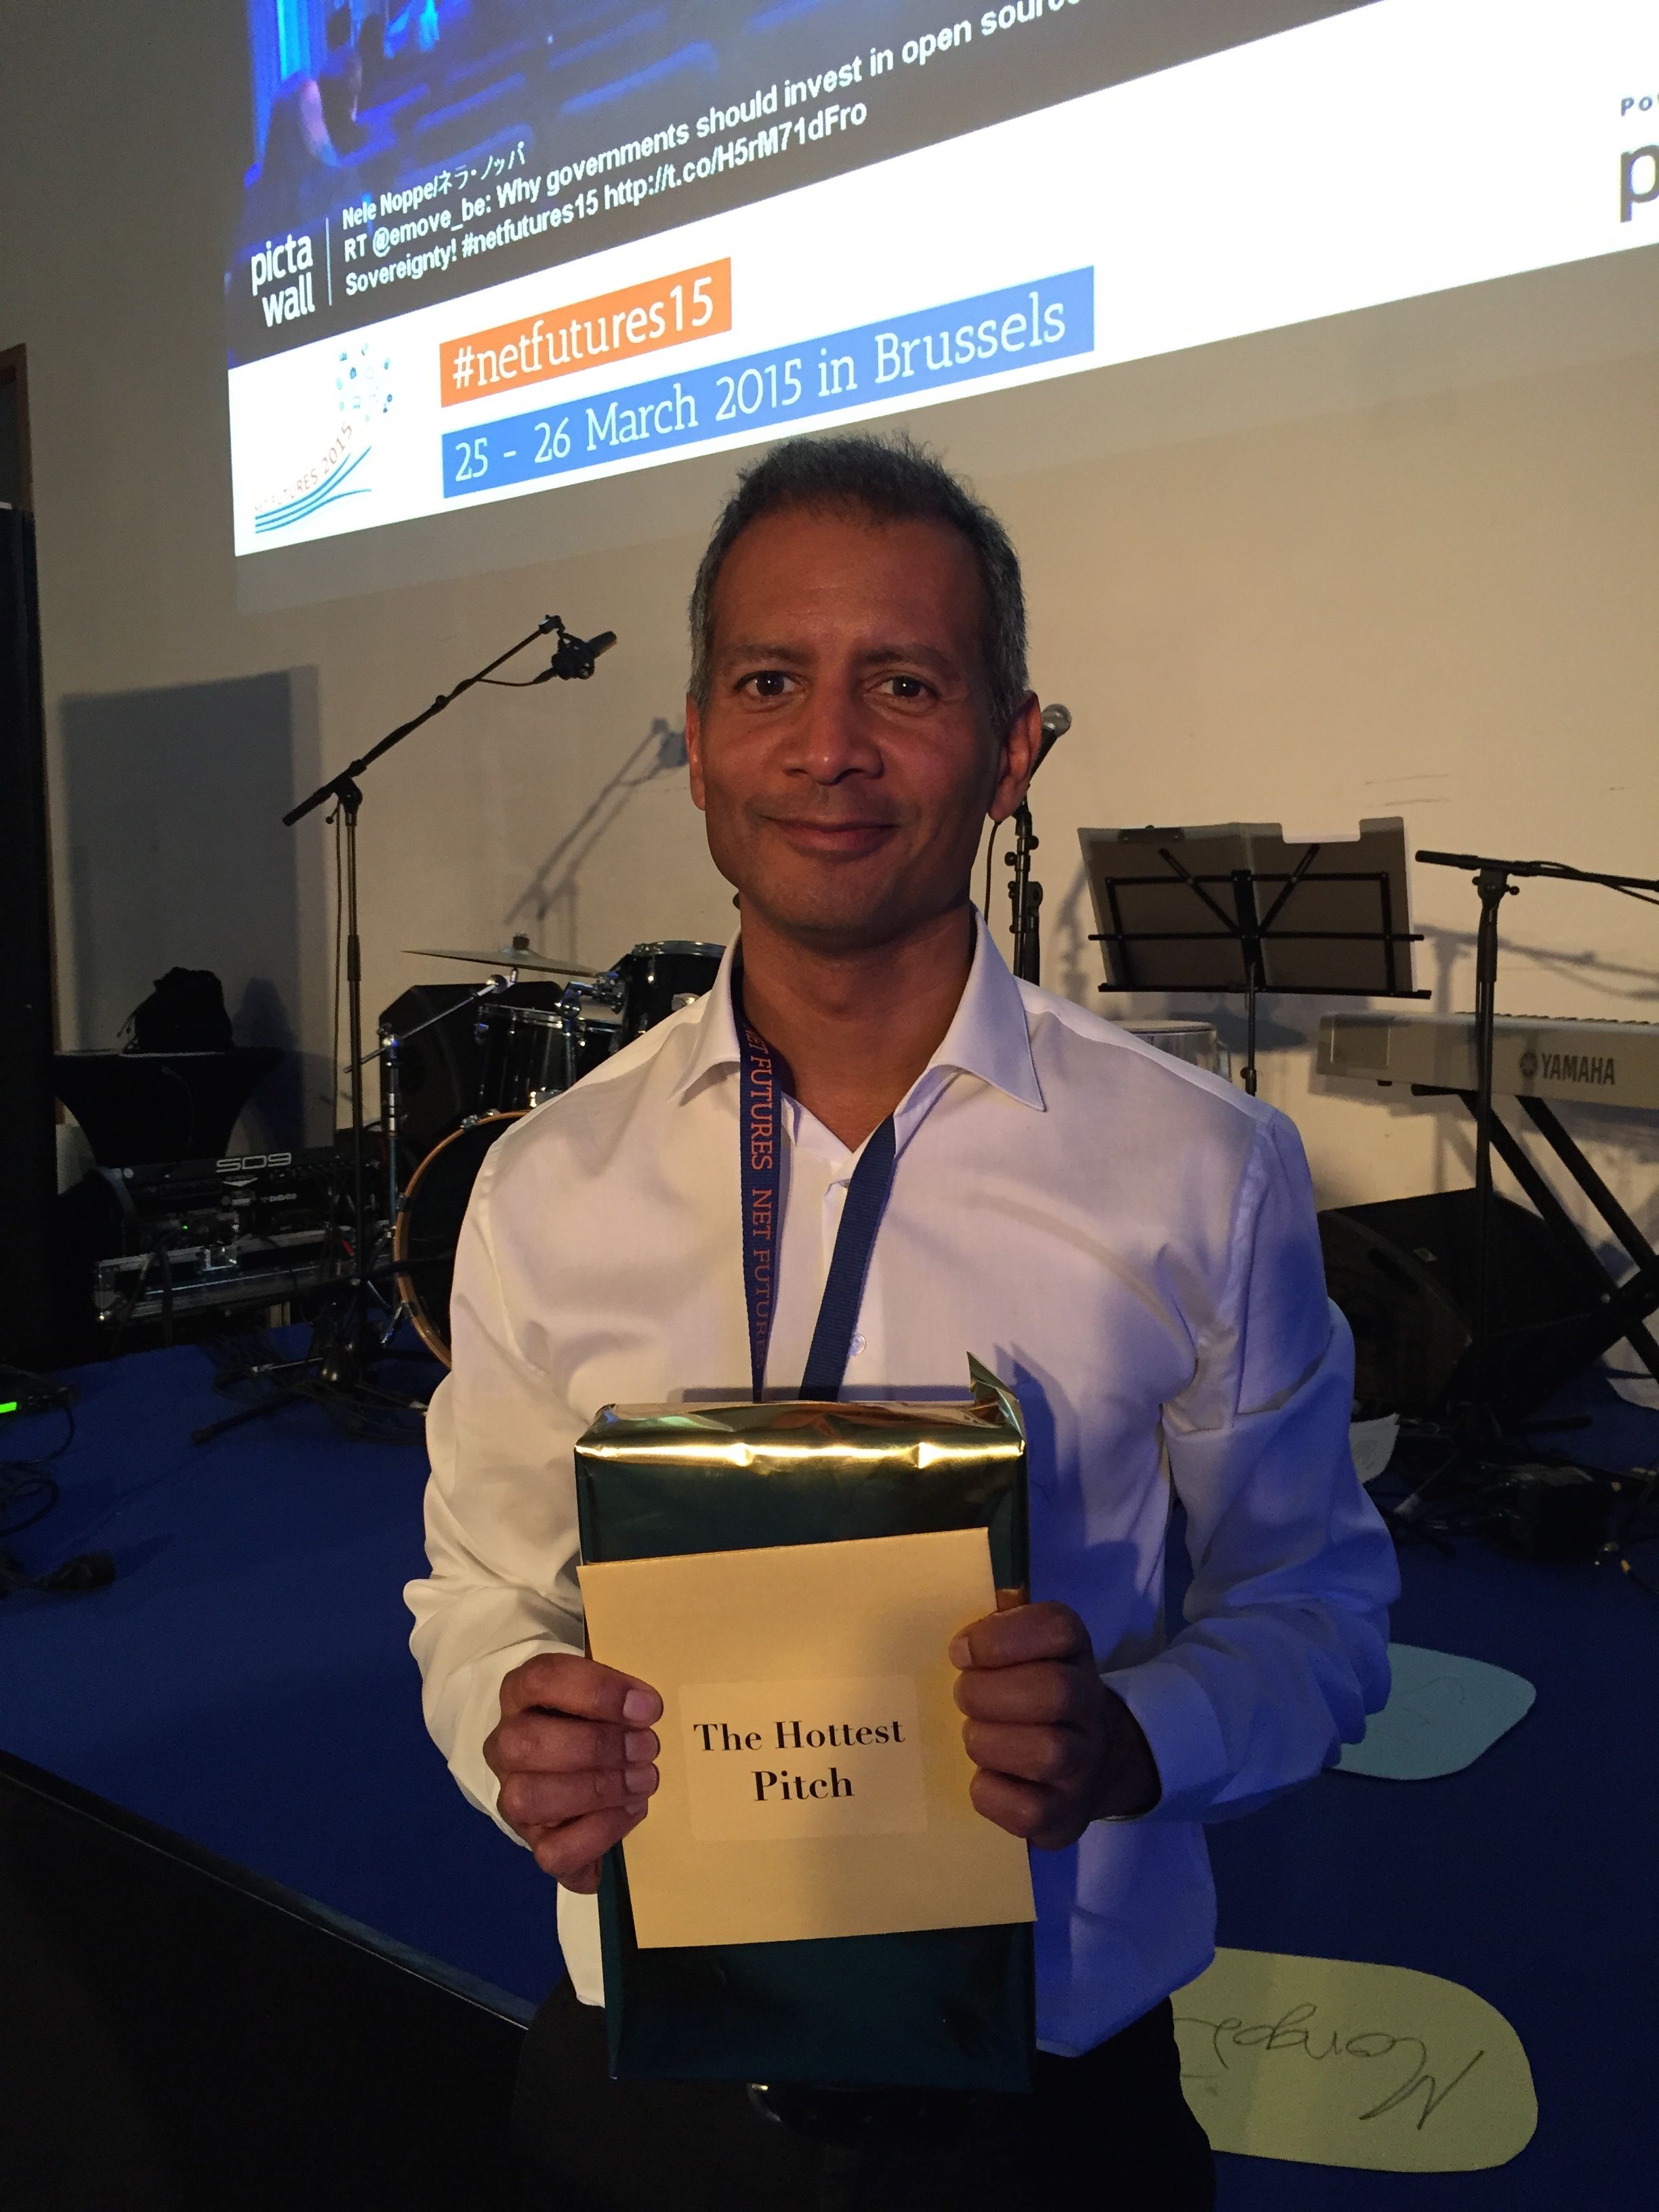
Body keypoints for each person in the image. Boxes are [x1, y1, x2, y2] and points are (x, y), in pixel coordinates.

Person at [407, 434, 1398, 2209]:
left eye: (907, 684)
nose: (829, 746)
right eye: (769, 681)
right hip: (644, 2094)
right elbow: (479, 1588)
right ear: (698, 741)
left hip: (1048, 2110)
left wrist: (1129, 1741)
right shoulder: (548, 1183)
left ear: (1013, 748)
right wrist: (510, 1721)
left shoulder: (1202, 1169)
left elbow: (1316, 1609)